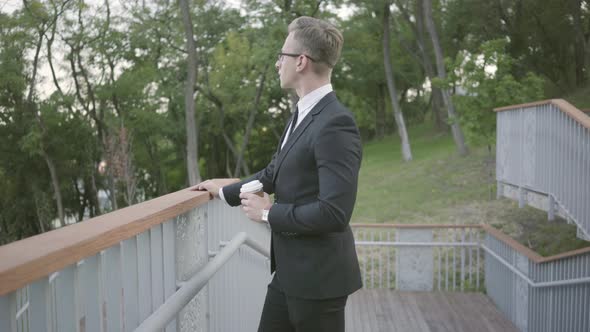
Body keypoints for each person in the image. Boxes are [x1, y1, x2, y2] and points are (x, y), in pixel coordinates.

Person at [195, 16, 362, 332]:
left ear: (301, 62)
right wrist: (223, 189)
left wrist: (269, 214)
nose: (276, 63)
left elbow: (334, 212)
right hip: (288, 274)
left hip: (318, 282)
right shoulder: (302, 112)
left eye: (281, 56)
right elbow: (272, 174)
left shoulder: (335, 124)